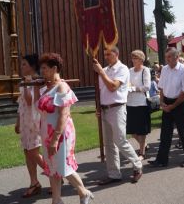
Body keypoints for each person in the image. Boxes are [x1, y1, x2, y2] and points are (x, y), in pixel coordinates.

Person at [35, 53, 93, 204]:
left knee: (63, 166)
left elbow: (63, 115)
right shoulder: (46, 88)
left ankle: (83, 192)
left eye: (45, 68)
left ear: (55, 68)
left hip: (60, 134)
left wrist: (55, 139)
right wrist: (36, 89)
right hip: (46, 133)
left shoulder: (61, 87)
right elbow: (38, 108)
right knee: (52, 168)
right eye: (41, 68)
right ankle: (57, 200)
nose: (42, 71)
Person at [92, 47, 143, 184]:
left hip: (117, 108)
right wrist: (99, 107)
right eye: (105, 54)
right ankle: (114, 174)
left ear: (117, 54)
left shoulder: (123, 69)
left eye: (109, 54)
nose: (106, 56)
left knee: (120, 140)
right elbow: (101, 91)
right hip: (105, 109)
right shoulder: (105, 69)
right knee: (109, 144)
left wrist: (101, 72)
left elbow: (113, 87)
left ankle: (137, 165)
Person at [148, 47, 184, 168]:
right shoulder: (165, 70)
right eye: (166, 57)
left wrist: (172, 106)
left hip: (179, 103)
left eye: (169, 57)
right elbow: (161, 87)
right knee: (165, 133)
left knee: (183, 131)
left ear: (176, 57)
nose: (167, 59)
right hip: (167, 102)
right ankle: (161, 160)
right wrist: (162, 102)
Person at [15, 54, 45, 198]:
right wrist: (18, 122)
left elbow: (29, 101)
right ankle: (34, 182)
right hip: (25, 121)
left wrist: (27, 85)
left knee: (34, 151)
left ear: (32, 66)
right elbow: (21, 104)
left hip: (34, 121)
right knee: (27, 152)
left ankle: (55, 175)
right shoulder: (24, 81)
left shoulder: (38, 81)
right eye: (21, 64)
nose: (21, 67)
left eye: (24, 64)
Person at [126, 50, 151, 160]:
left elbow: (147, 87)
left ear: (141, 59)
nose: (133, 60)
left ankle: (142, 152)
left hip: (141, 103)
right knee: (131, 130)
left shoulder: (145, 70)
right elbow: (126, 83)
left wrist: (134, 88)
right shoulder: (129, 70)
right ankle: (144, 145)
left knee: (141, 130)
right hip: (130, 103)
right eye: (132, 58)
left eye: (135, 58)